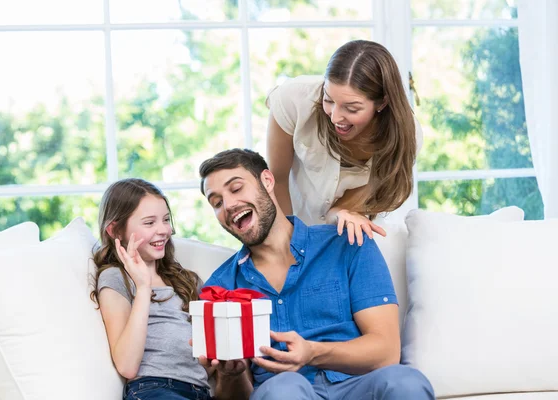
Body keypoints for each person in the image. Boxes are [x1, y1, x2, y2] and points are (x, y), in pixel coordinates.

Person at [198, 149, 434, 400]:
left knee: (406, 382)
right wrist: (231, 375)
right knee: (285, 387)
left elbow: (386, 351)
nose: (229, 205)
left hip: (357, 387)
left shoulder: (347, 242)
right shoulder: (220, 287)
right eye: (217, 202)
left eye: (236, 189)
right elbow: (235, 395)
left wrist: (312, 352)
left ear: (267, 181)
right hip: (281, 392)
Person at [266, 39, 423, 245]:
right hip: (290, 225)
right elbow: (276, 180)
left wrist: (341, 216)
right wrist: (288, 244)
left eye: (352, 108)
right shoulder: (294, 98)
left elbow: (341, 212)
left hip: (345, 236)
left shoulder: (404, 138)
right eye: (329, 100)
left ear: (382, 102)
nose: (335, 117)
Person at [90, 178, 211, 400]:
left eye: (166, 220)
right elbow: (127, 365)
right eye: (149, 223)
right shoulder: (116, 278)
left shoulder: (185, 281)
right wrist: (144, 287)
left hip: (200, 391)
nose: (164, 230)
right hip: (154, 389)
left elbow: (206, 359)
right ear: (115, 230)